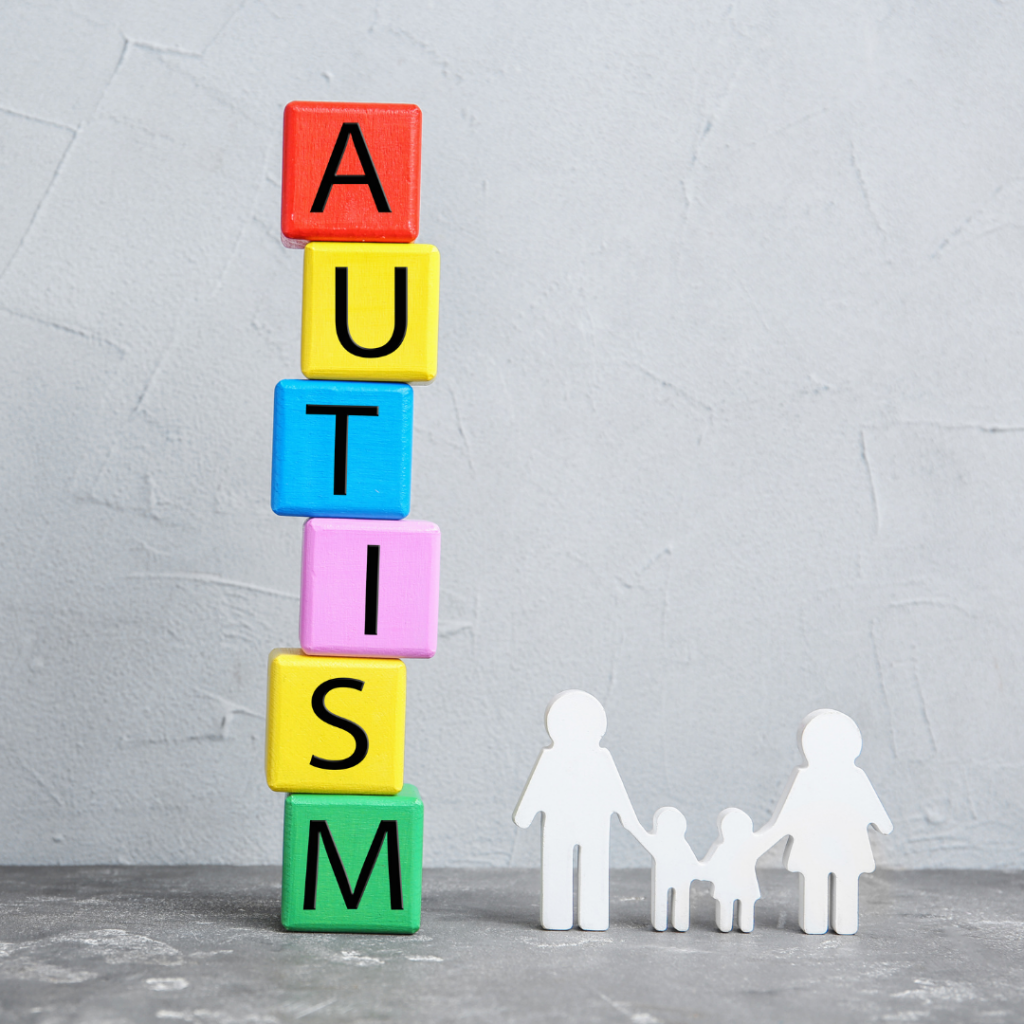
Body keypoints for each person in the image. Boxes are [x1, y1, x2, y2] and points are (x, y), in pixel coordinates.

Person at [513, 690, 647, 930]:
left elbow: (615, 792)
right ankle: (563, 917)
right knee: (561, 868)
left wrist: (524, 815)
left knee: (587, 868)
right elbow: (538, 788)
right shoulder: (554, 758)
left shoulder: (598, 758)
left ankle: (587, 917)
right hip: (567, 827)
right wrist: (628, 819)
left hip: (585, 827)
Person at [764, 709, 893, 934]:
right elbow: (879, 818)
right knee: (825, 879)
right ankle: (827, 922)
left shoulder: (849, 777)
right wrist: (882, 825)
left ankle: (832, 922)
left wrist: (769, 835)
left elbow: (784, 819)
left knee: (837, 880)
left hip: (830, 847)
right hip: (833, 846)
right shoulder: (839, 777)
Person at [702, 808, 775, 932]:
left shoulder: (736, 846)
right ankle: (731, 925)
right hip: (736, 885)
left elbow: (710, 865)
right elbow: (768, 838)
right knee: (731, 903)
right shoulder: (739, 846)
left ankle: (736, 925)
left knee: (737, 902)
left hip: (738, 885)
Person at [642, 807, 703, 931]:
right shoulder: (662, 842)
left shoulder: (678, 844)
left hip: (678, 878)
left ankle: (678, 923)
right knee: (665, 898)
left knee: (677, 898)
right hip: (666, 877)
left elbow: (691, 862)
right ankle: (665, 923)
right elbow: (693, 863)